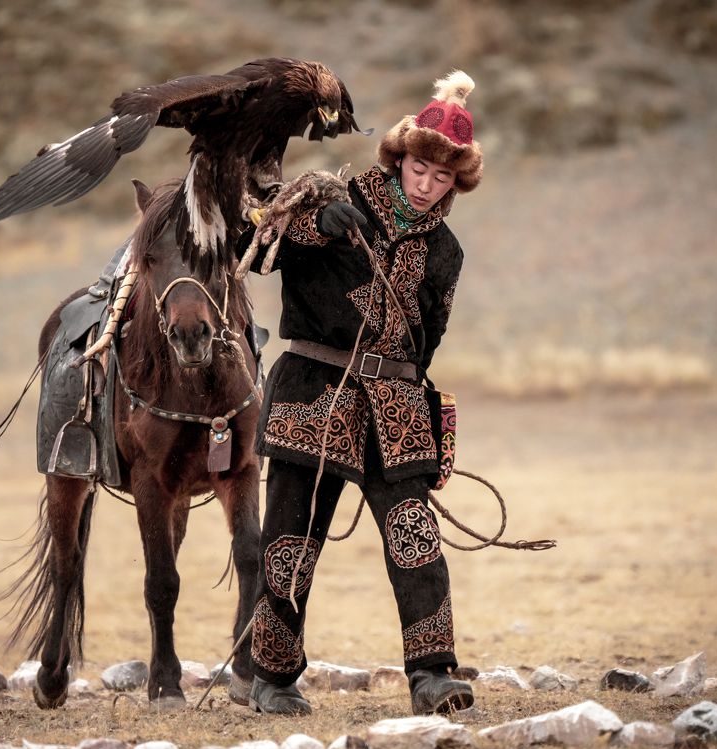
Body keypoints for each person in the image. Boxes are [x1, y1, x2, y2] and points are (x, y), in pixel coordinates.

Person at [242, 70, 485, 716]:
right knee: (291, 538)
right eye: (418, 168)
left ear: (454, 182)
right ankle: (272, 676)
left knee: (415, 535)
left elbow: (428, 339)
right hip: (312, 392)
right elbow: (259, 244)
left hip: (396, 406)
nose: (426, 184)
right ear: (400, 156)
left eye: (442, 177)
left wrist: (410, 395)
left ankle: (433, 673)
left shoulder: (447, 252)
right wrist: (318, 222)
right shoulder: (335, 199)